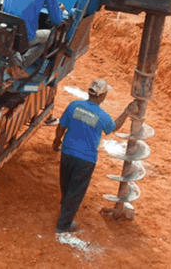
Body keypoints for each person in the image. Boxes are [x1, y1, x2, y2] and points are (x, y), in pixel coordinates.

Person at [52, 78, 132, 234]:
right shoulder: (103, 116)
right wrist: (127, 112)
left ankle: (65, 206)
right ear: (102, 96)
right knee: (76, 191)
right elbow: (114, 127)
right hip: (86, 159)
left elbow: (61, 127)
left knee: (66, 183)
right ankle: (63, 225)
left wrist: (56, 142)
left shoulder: (74, 105)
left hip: (67, 152)